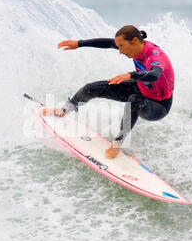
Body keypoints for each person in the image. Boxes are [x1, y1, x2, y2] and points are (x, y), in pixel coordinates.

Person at [41, 25, 174, 159]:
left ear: (134, 41)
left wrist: (130, 75)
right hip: (141, 87)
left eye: (121, 46)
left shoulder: (155, 56)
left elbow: (155, 74)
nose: (120, 51)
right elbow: (109, 43)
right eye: (119, 47)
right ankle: (64, 110)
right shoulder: (135, 46)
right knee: (92, 88)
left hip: (158, 105)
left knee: (135, 100)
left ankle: (118, 143)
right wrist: (78, 44)